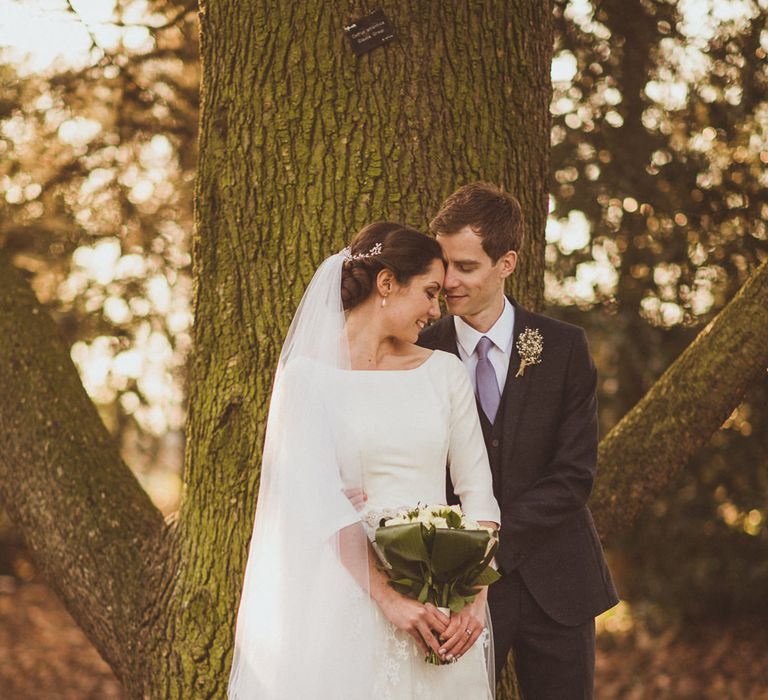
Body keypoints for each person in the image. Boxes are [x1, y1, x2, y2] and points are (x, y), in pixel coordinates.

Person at [228, 222, 501, 700]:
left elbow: (478, 489)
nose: (437, 311)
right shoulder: (307, 379)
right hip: (346, 596)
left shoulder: (444, 373)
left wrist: (475, 597)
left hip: (440, 601)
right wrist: (391, 601)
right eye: (430, 293)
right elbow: (310, 500)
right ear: (387, 284)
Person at [418, 183, 619, 699]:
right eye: (443, 264)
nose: (448, 281)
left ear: (506, 263)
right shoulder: (419, 349)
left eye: (465, 266)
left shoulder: (564, 347)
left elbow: (573, 477)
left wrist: (488, 555)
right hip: (455, 593)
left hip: (560, 582)